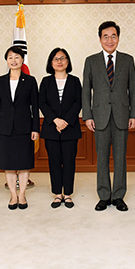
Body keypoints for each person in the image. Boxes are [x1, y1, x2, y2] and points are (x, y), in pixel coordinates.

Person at [82, 21, 135, 212]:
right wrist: (87, 116)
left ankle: (119, 196)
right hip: (99, 116)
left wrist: (134, 114)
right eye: (105, 36)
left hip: (123, 115)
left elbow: (133, 89)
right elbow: (86, 91)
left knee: (121, 157)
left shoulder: (127, 60)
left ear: (118, 38)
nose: (109, 40)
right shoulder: (91, 61)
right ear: (100, 39)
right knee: (102, 157)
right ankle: (104, 195)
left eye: (113, 36)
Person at [0, 46, 39, 210]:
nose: (13, 60)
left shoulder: (30, 81)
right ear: (6, 60)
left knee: (24, 163)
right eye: (10, 57)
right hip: (5, 129)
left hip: (24, 128)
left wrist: (35, 129)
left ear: (22, 60)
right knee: (9, 164)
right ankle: (13, 196)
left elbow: (35, 106)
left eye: (17, 57)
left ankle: (22, 195)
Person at [39, 48, 82, 209]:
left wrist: (65, 121)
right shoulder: (45, 81)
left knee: (70, 162)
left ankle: (68, 194)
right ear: (51, 63)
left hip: (70, 129)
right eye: (56, 59)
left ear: (68, 62)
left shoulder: (75, 81)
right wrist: (55, 120)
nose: (59, 61)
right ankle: (58, 194)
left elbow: (79, 102)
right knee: (54, 162)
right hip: (51, 129)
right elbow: (41, 102)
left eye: (63, 58)